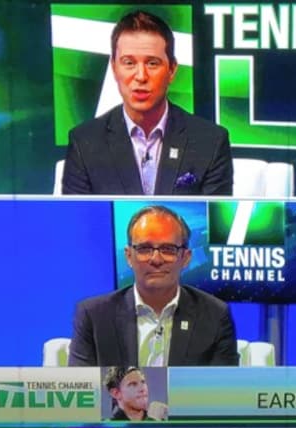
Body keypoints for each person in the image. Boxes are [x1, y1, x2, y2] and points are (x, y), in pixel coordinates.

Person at [62, 10, 232, 195]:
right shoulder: (85, 143)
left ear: (172, 70)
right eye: (129, 63)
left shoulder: (210, 142)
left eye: (152, 63)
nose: (141, 76)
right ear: (114, 68)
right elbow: (80, 221)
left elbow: (210, 220)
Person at [69, 205, 239, 366]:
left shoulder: (215, 315)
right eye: (144, 249)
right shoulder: (94, 315)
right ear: (129, 256)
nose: (156, 260)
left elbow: (223, 390)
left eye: (168, 249)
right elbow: (83, 388)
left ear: (186, 258)